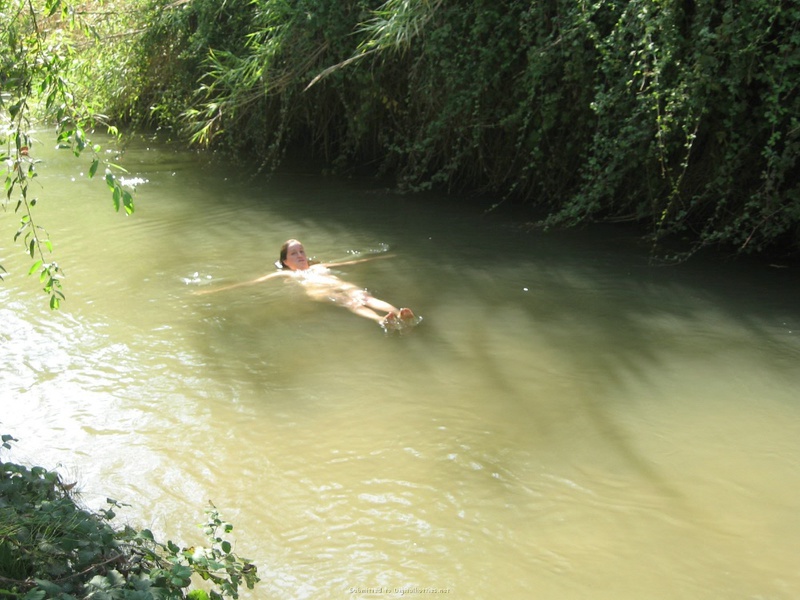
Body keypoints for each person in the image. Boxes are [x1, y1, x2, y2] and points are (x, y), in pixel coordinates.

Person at [197, 239, 417, 330]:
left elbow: (352, 262)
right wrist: (215, 289)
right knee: (354, 304)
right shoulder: (289, 275)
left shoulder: (318, 267)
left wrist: (382, 257)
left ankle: (398, 313)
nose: (300, 255)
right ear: (285, 261)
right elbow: (252, 282)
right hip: (321, 291)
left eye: (302, 251)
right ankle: (381, 320)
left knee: (364, 296)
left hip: (340, 284)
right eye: (294, 253)